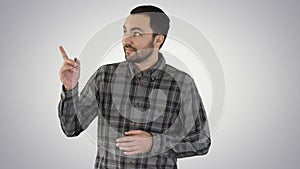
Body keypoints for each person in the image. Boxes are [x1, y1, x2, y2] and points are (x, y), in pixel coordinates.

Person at [58, 5, 211, 169]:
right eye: (125, 32)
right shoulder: (104, 76)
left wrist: (155, 143)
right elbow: (71, 127)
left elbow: (201, 141)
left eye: (136, 33)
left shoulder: (182, 83)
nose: (126, 40)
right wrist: (70, 89)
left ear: (158, 40)